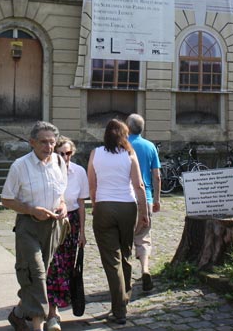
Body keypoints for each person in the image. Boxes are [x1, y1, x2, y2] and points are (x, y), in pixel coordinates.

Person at [2, 121, 68, 331]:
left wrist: (63, 205)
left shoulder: (58, 162)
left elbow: (61, 192)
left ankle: (19, 313)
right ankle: (39, 324)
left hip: (52, 227)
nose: (48, 147)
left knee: (40, 273)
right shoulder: (20, 166)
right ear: (31, 142)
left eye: (52, 142)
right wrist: (31, 210)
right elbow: (6, 199)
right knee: (37, 273)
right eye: (43, 142)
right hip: (28, 226)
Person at [88, 119, 149, 325]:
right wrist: (144, 212)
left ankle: (119, 308)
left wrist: (96, 205)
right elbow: (139, 185)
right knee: (126, 252)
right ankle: (125, 296)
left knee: (111, 260)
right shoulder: (129, 155)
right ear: (125, 135)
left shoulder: (95, 153)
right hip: (127, 206)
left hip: (105, 205)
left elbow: (92, 184)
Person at [44, 137, 88, 331]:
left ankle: (55, 307)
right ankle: (53, 313)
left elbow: (81, 204)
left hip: (72, 224)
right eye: (61, 153)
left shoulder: (79, 172)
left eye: (68, 153)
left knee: (67, 267)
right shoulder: (48, 170)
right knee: (53, 267)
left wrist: (83, 232)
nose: (65, 157)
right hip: (52, 222)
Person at [126, 113, 161, 292]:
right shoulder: (150, 146)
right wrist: (156, 199)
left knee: (123, 239)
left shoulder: (121, 145)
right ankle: (145, 269)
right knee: (143, 238)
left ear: (127, 127)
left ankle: (124, 278)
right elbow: (157, 175)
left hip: (125, 198)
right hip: (145, 198)